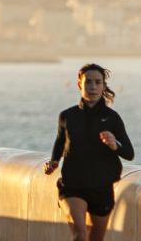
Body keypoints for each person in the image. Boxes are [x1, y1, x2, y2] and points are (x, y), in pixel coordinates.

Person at [43, 63, 134, 241]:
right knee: (80, 234)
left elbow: (129, 153)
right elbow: (60, 143)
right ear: (79, 85)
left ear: (103, 86)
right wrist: (53, 161)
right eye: (88, 82)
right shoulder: (67, 116)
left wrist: (114, 145)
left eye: (97, 82)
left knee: (95, 239)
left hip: (102, 186)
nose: (93, 87)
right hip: (72, 184)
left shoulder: (112, 118)